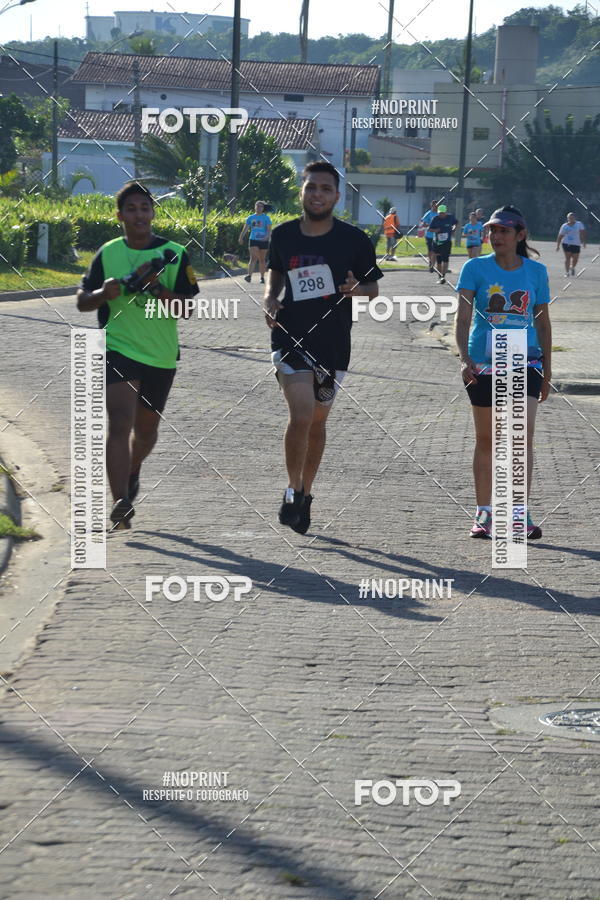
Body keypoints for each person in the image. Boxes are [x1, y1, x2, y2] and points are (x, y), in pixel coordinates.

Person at [264, 161, 383, 533]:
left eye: (325, 189)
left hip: (332, 344)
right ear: (302, 190)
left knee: (316, 424)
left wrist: (355, 290)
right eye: (311, 187)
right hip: (290, 338)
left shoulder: (354, 240)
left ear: (336, 195)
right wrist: (270, 297)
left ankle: (306, 493)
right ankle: (292, 489)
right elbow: (276, 270)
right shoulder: (283, 235)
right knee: (300, 415)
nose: (317, 194)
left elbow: (372, 288)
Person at [77, 181, 199, 528]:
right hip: (118, 348)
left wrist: (158, 288)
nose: (139, 214)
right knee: (119, 424)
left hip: (160, 355)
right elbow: (83, 301)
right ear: (120, 216)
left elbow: (187, 309)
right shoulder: (108, 252)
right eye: (131, 208)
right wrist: (103, 292)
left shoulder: (174, 253)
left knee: (145, 432)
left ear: (153, 213)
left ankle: (132, 469)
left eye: (145, 208)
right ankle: (120, 502)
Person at [454, 205, 552, 540]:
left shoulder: (536, 272)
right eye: (492, 230)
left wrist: (549, 369)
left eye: (504, 231)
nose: (496, 236)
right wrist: (464, 357)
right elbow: (463, 318)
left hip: (526, 362)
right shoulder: (474, 268)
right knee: (487, 440)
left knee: (520, 439)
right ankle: (485, 513)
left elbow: (542, 320)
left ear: (520, 235)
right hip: (484, 363)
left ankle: (519, 515)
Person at [239, 200, 272, 284]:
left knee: (262, 259)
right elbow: (245, 228)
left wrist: (266, 237)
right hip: (253, 239)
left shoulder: (266, 218)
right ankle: (249, 276)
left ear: (263, 208)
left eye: (260, 206)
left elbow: (269, 230)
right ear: (255, 207)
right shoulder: (250, 217)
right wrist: (241, 237)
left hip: (263, 241)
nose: (259, 208)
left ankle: (262, 277)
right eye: (257, 206)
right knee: (253, 257)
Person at [429, 204, 457, 283]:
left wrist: (454, 229)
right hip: (437, 242)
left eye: (442, 213)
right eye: (440, 213)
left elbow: (456, 223)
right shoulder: (435, 219)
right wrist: (435, 230)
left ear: (445, 212)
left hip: (447, 242)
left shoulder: (450, 217)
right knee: (439, 261)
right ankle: (439, 276)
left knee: (446, 260)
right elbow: (430, 229)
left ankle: (443, 276)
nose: (441, 214)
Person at [556, 212, 586, 276]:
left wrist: (584, 242)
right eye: (569, 218)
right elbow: (560, 236)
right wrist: (558, 246)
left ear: (575, 218)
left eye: (572, 218)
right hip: (566, 243)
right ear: (567, 218)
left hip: (576, 244)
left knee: (575, 259)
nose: (571, 219)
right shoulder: (564, 226)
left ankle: (572, 267)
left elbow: (583, 233)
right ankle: (567, 272)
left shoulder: (579, 224)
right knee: (568, 258)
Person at [420, 200, 438, 272]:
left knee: (435, 251)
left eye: (436, 205)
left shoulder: (439, 214)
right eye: (433, 205)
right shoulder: (429, 213)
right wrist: (430, 224)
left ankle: (432, 265)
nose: (435, 206)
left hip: (437, 235)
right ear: (431, 205)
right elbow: (423, 224)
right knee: (430, 251)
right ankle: (430, 261)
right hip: (429, 235)